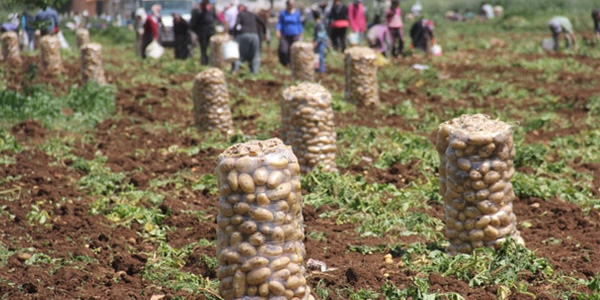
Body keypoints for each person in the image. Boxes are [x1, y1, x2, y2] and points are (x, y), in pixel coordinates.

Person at [231, 4, 265, 74]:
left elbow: (236, 25)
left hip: (244, 35)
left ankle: (234, 70)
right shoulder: (253, 14)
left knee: (240, 54)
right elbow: (262, 22)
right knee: (255, 54)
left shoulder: (240, 14)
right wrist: (264, 33)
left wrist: (234, 34)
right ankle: (254, 72)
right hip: (255, 36)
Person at [276, 0, 303, 66]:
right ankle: (285, 63)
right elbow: (280, 23)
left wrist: (301, 32)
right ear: (287, 5)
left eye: (292, 4)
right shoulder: (283, 13)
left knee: (294, 49)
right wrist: (278, 30)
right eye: (290, 4)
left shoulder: (297, 13)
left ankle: (293, 63)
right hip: (285, 34)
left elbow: (299, 23)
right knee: (284, 49)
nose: (291, 6)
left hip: (295, 33)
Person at [191, 0, 219, 65]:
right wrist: (197, 32)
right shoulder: (199, 12)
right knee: (203, 48)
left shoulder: (211, 12)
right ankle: (204, 61)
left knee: (213, 47)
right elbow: (194, 23)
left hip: (211, 31)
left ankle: (213, 61)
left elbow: (215, 19)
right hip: (203, 31)